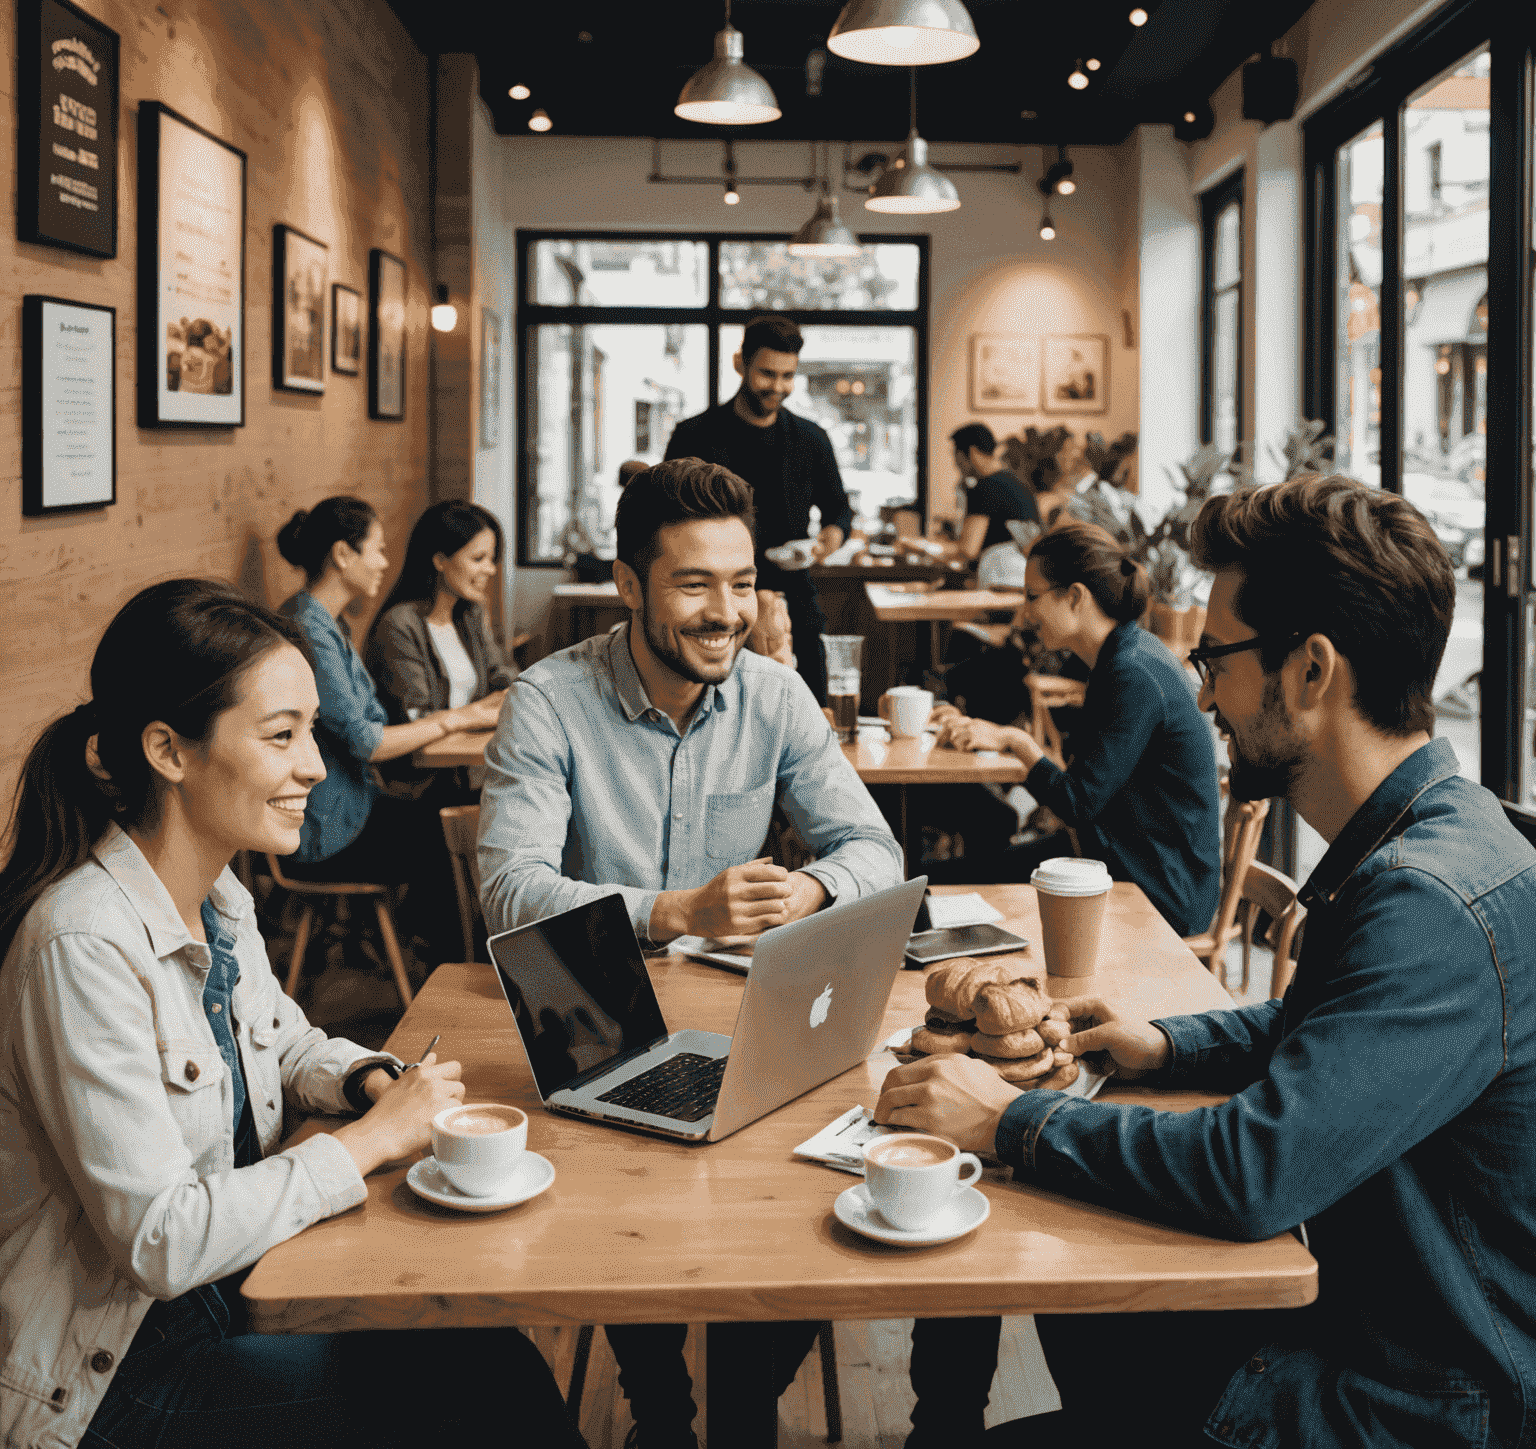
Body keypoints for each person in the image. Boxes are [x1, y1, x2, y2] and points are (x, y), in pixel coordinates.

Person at [879, 474, 1536, 1449]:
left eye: (1216, 657)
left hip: (1404, 1402)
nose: (1202, 691)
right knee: (1073, 1283)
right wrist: (1160, 1046)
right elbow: (1341, 1040)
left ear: (1313, 672)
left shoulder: (1422, 904)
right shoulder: (1446, 831)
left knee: (1045, 1271)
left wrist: (1007, 1117)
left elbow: (1252, 1169)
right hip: (1367, 1335)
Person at [0, 578, 585, 1449]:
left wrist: (367, 1081)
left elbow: (284, 1042)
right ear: (169, 750)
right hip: (113, 1383)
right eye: (282, 736)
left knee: (480, 1348)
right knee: (481, 1378)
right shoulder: (82, 943)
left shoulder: (218, 895)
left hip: (222, 1300)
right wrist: (374, 1141)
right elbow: (159, 1240)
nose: (315, 764)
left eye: (311, 730)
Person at [477, 458, 903, 1449]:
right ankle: (662, 1393)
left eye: (743, 584)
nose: (727, 614)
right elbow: (509, 890)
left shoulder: (776, 697)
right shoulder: (548, 701)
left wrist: (810, 887)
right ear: (628, 585)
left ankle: (738, 1391)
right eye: (694, 584)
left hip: (749, 1028)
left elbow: (874, 850)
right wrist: (674, 910)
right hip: (594, 1023)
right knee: (636, 1222)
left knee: (837, 1197)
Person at [934, 521, 1221, 938]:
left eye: (1033, 597)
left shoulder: (1132, 674)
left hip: (1160, 891)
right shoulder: (1123, 655)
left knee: (956, 889)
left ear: (1075, 597)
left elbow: (1077, 802)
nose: (1026, 614)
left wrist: (1017, 742)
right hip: (1121, 861)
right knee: (953, 881)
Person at [274, 498, 502, 963]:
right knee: (457, 834)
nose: (384, 562)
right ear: (342, 556)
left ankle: (468, 966)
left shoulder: (327, 622)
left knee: (473, 825)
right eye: (376, 549)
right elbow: (368, 740)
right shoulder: (309, 631)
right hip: (329, 827)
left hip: (353, 806)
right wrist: (458, 718)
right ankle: (466, 971)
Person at [664, 313, 851, 705]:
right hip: (713, 601)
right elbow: (667, 522)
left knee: (810, 713)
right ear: (740, 364)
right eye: (767, 374)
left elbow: (838, 513)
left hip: (793, 595)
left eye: (788, 376)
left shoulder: (811, 439)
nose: (778, 387)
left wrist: (821, 547)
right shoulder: (694, 436)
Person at [365, 497, 516, 799]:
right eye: (478, 558)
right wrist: (480, 712)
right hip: (423, 789)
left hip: (469, 774)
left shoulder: (470, 615)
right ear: (440, 560)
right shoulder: (399, 625)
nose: (490, 569)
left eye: (492, 559)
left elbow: (503, 677)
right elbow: (418, 719)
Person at [909, 422, 1040, 566]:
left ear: (971, 452)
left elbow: (968, 550)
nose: (956, 463)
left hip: (998, 575)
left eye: (956, 455)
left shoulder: (985, 488)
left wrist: (921, 546)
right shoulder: (1017, 484)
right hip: (1022, 574)